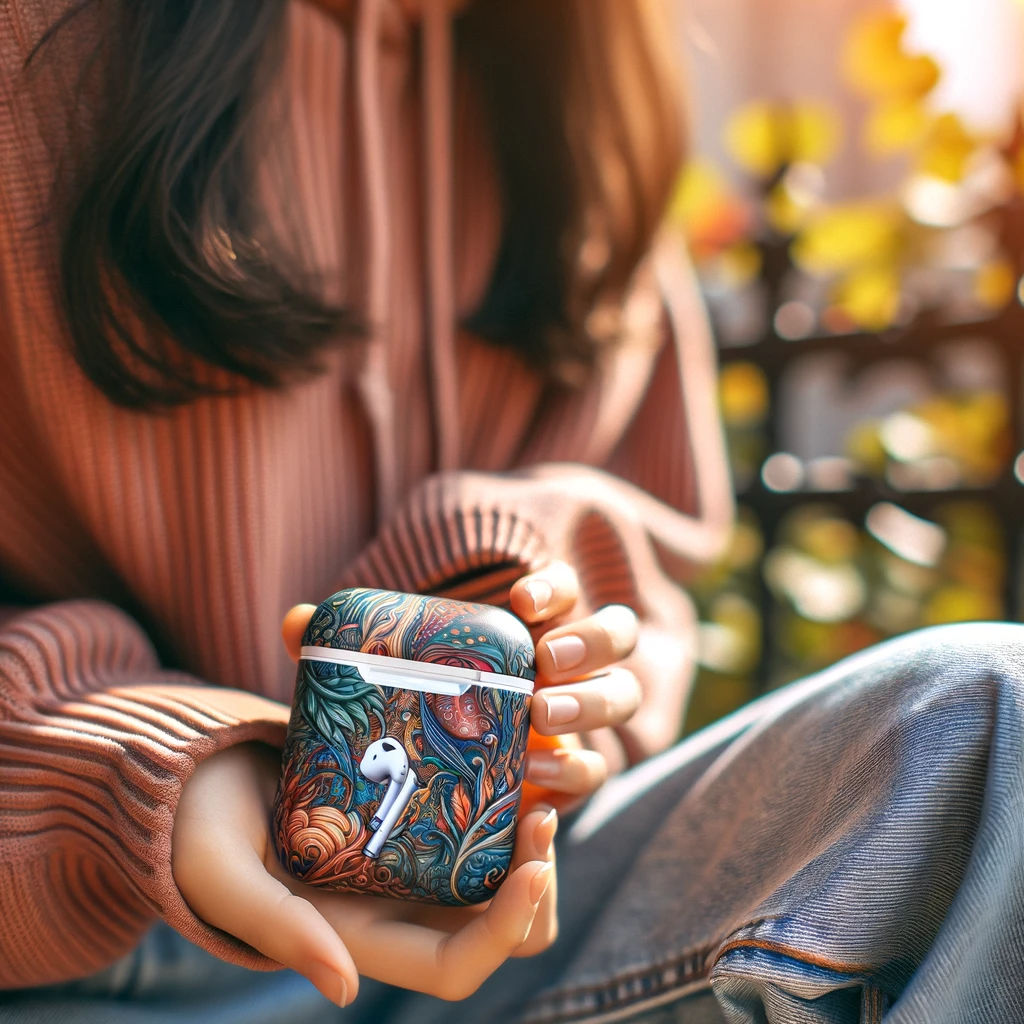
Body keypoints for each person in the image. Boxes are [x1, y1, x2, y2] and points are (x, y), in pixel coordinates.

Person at [0, 1, 1022, 1022]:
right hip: (105, 940)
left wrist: (528, 599)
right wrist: (121, 773)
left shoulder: (592, 76)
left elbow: (646, 525)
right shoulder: (38, 44)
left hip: (515, 905)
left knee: (993, 727)